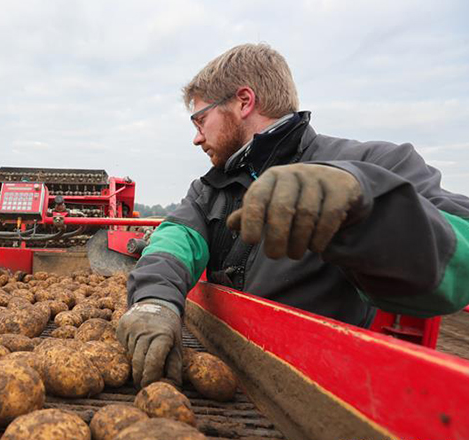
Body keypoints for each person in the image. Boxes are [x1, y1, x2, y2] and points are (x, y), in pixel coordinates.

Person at [117, 43, 469, 389]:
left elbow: (461, 252)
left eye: (200, 119)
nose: (196, 138)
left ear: (243, 101)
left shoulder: (373, 164)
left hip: (326, 388)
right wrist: (154, 301)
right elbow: (172, 242)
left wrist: (366, 209)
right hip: (236, 374)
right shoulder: (210, 189)